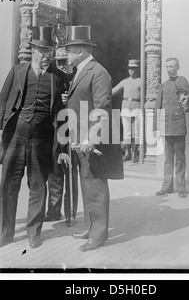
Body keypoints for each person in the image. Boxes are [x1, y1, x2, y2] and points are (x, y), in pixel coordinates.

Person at [0, 26, 65, 249]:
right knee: (9, 185)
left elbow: (62, 110)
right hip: (15, 136)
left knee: (38, 185)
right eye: (42, 51)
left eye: (49, 51)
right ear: (33, 50)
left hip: (42, 139)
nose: (46, 56)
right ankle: (5, 233)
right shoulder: (17, 71)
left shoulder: (58, 77)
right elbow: (2, 99)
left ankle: (34, 232)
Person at [62, 25, 124, 252]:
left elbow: (102, 109)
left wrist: (91, 139)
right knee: (87, 184)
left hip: (90, 141)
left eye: (68, 50)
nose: (65, 55)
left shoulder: (98, 72)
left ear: (80, 50)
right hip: (80, 138)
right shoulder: (82, 70)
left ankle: (98, 236)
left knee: (95, 186)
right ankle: (91, 227)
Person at [45, 47, 79, 227]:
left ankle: (70, 213)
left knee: (70, 171)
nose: (62, 64)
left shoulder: (78, 74)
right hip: (57, 129)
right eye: (59, 61)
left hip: (73, 129)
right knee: (55, 171)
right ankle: (53, 211)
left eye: (65, 60)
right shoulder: (53, 77)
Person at [153, 57, 189, 198]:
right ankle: (166, 187)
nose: (169, 69)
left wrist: (180, 82)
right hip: (166, 126)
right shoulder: (163, 85)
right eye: (167, 67)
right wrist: (155, 127)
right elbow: (157, 106)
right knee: (168, 159)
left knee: (180, 159)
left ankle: (181, 188)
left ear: (178, 67)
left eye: (172, 66)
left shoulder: (181, 81)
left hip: (178, 126)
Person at [112, 59, 142, 162]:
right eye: (130, 68)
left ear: (137, 69)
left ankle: (135, 153)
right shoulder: (124, 81)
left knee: (136, 132)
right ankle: (127, 153)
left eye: (134, 68)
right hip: (125, 108)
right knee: (127, 132)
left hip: (136, 107)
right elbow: (113, 92)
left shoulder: (140, 81)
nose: (131, 71)